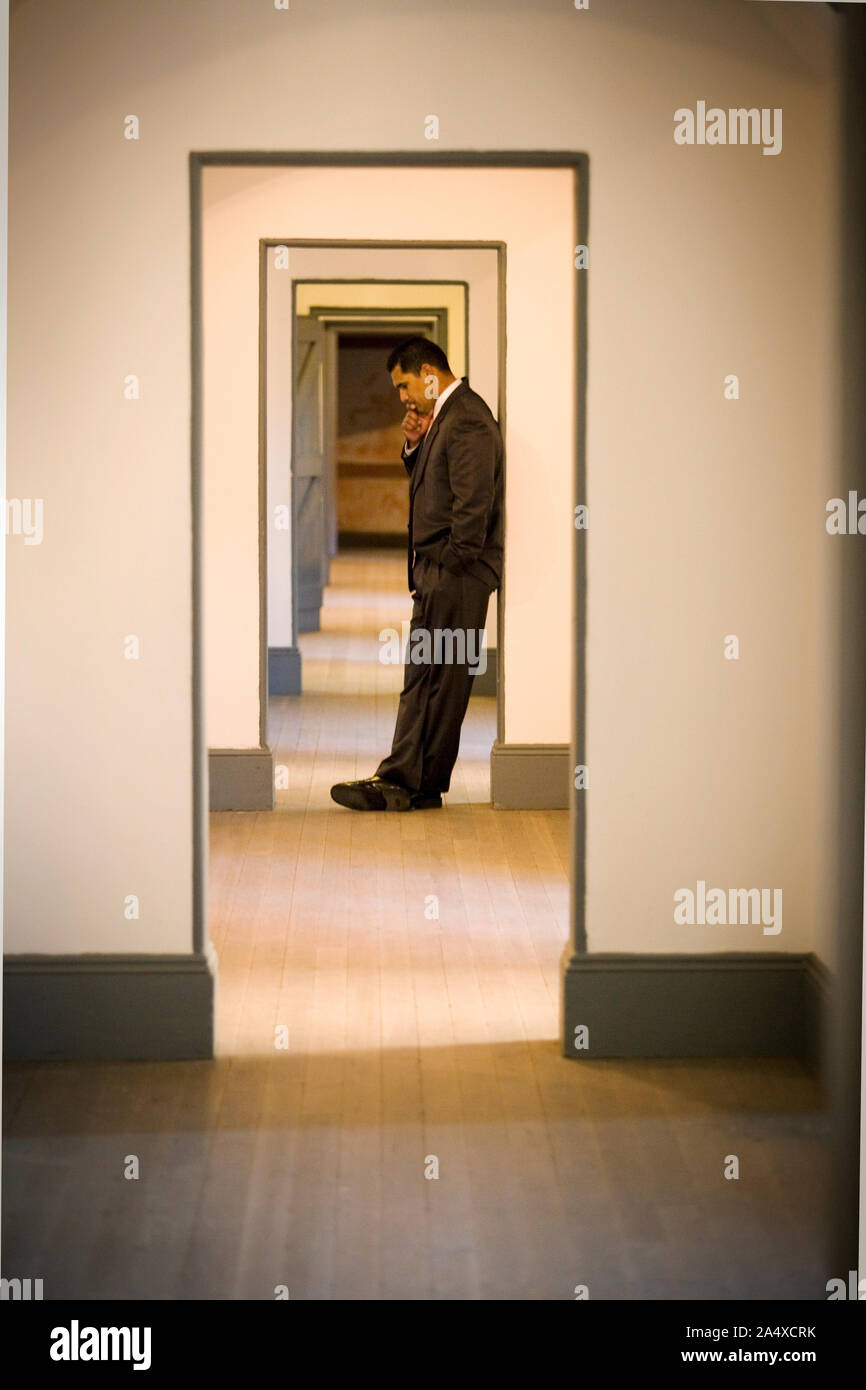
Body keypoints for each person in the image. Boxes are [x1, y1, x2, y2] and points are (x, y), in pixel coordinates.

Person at [330, 336, 503, 811]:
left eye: (404, 386)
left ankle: (415, 784)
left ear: (429, 372)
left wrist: (448, 563)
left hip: (458, 576)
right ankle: (405, 779)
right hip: (440, 572)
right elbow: (437, 487)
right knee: (424, 676)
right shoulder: (445, 419)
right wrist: (414, 444)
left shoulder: (467, 418)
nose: (403, 398)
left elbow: (472, 512)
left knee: (442, 681)